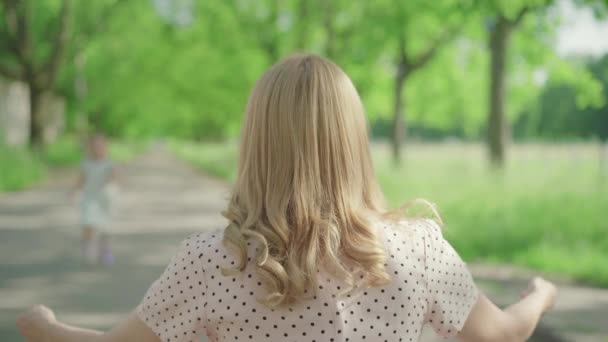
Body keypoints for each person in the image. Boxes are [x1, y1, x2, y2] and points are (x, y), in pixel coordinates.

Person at [17, 55, 557, 342]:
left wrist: (45, 327)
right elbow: (502, 335)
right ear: (353, 142)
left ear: (257, 144)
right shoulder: (419, 250)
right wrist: (540, 294)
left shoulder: (213, 262)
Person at [69, 133, 118, 265]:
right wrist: (74, 191)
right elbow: (81, 179)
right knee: (88, 223)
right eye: (95, 146)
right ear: (90, 148)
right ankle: (88, 248)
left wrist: (110, 183)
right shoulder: (86, 163)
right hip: (89, 198)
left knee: (105, 227)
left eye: (101, 146)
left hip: (103, 199)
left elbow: (114, 177)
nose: (98, 149)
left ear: (105, 148)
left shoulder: (109, 163)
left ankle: (105, 251)